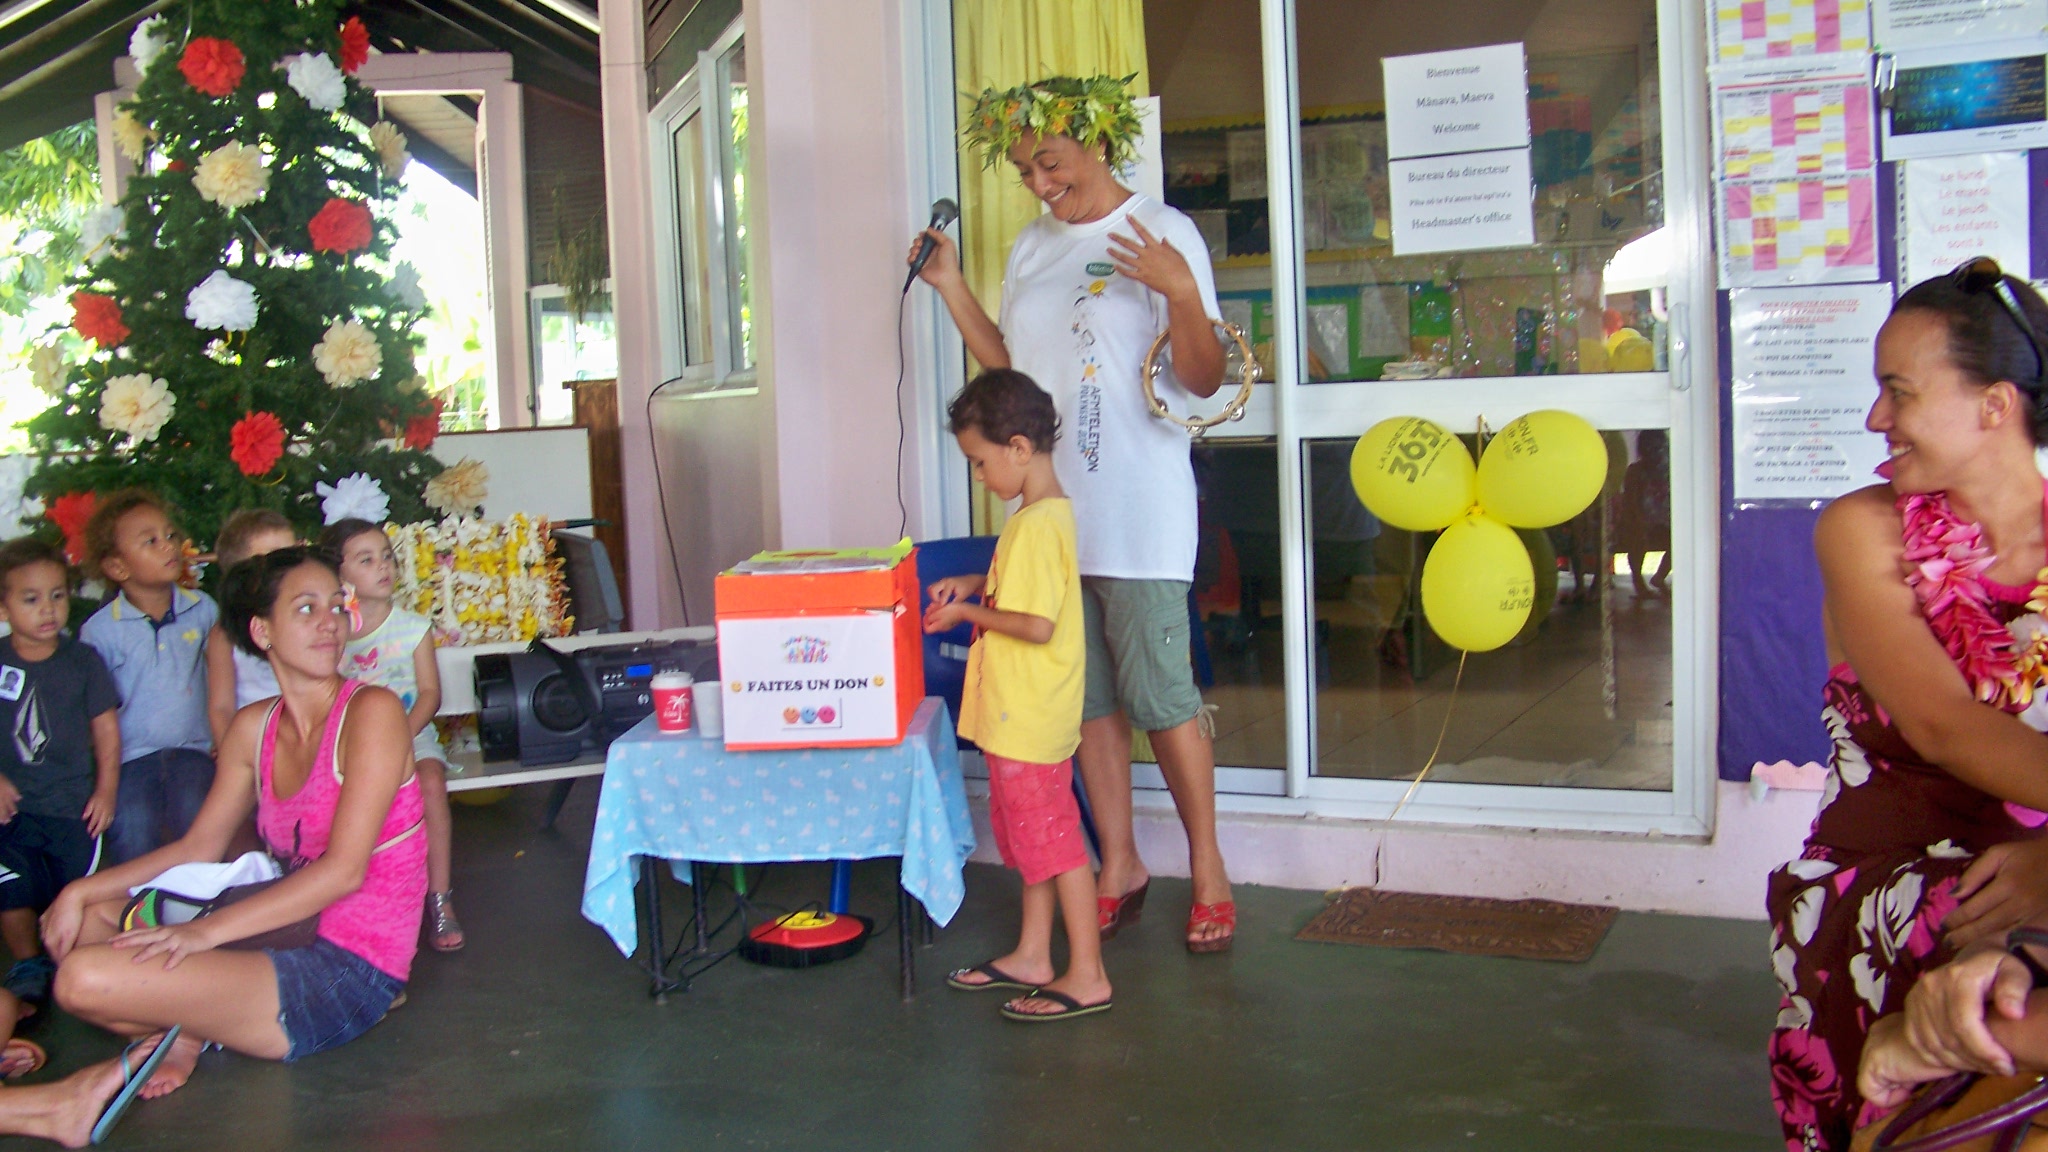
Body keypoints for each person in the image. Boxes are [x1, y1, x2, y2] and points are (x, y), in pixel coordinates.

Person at [912, 75, 1235, 951]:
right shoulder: (1030, 248)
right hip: (1053, 519)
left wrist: (1177, 292)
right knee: (1086, 700)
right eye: (1022, 169)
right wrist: (950, 287)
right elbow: (1012, 370)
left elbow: (1202, 381)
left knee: (1163, 698)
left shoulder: (1165, 233)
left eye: (1047, 162)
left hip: (1138, 512)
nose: (1038, 183)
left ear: (1098, 141)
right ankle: (1120, 863)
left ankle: (1208, 869)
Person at [1767, 260, 2048, 1151]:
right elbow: (1942, 725)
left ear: (1995, 407)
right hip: (1879, 876)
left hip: (2033, 858)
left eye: (1898, 391)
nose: (1874, 418)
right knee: (1975, 948)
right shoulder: (1861, 528)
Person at [43, 546, 426, 1099]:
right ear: (262, 631)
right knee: (83, 923)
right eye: (305, 608)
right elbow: (200, 844)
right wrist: (79, 891)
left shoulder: (373, 712)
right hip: (279, 927)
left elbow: (344, 872)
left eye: (336, 606)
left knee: (81, 980)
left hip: (348, 968)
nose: (329, 623)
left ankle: (187, 1026)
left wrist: (201, 934)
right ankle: (190, 1026)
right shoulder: (255, 727)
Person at [929, 369, 1108, 1021]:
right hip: (1024, 718)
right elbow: (1037, 588)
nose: (980, 477)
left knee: (1054, 844)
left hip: (1028, 720)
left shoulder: (1035, 525)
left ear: (1019, 449)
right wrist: (977, 582)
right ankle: (1035, 955)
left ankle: (1086, 972)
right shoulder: (1041, 516)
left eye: (980, 462)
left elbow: (1037, 624)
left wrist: (965, 615)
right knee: (1034, 838)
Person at [320, 518, 460, 951]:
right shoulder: (333, 633)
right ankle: (355, 904)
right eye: (366, 560)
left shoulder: (413, 628)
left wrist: (400, 735)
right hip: (349, 743)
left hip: (409, 734)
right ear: (340, 575)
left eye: (387, 556)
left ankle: (439, 898)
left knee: (431, 782)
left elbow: (430, 695)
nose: (383, 566)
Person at [0, 540, 120, 1018]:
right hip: (13, 810)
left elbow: (107, 732)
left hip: (72, 808)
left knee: (76, 892)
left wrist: (106, 789)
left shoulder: (82, 662)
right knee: (11, 889)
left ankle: (73, 965)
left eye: (57, 595)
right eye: (30, 599)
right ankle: (28, 964)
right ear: (3, 605)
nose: (47, 610)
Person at [77, 490, 215, 866]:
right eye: (150, 541)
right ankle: (137, 913)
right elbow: (94, 712)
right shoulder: (100, 631)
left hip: (195, 752)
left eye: (170, 535)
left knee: (199, 819)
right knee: (132, 827)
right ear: (119, 568)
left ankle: (203, 913)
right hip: (131, 759)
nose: (169, 546)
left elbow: (224, 683)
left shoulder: (204, 611)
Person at [205, 509, 297, 747]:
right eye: (274, 560)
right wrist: (234, 761)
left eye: (293, 556)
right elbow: (221, 707)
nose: (288, 569)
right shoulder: (225, 635)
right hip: (255, 744)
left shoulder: (309, 620)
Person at [1617, 430, 1672, 598]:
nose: (1656, 452)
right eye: (1651, 448)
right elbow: (1630, 503)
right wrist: (1639, 522)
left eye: (1659, 448)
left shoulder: (1667, 471)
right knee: (1636, 537)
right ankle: (1638, 582)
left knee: (1682, 539)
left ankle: (1659, 577)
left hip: (1663, 522)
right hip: (1639, 521)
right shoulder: (1635, 471)